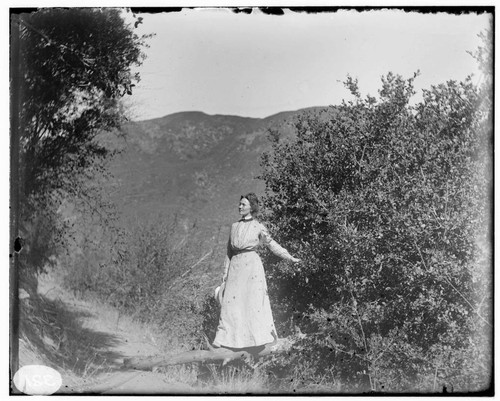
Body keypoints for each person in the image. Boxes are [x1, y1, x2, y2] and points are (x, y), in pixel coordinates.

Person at [213, 193, 300, 349]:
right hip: (235, 267)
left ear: (251, 207)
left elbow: (271, 244)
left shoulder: (258, 226)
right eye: (239, 204)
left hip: (252, 268)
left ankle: (257, 341)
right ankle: (228, 341)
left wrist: (289, 257)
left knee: (253, 303)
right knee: (231, 304)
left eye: (243, 205)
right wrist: (224, 276)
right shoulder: (234, 226)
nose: (240, 207)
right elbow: (229, 252)